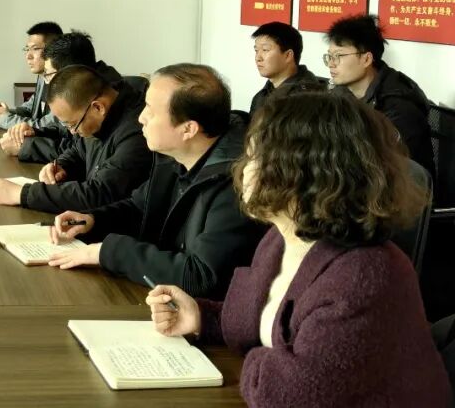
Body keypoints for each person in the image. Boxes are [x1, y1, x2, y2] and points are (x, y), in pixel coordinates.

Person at [146, 92, 449, 407]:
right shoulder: (282, 238)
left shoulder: (365, 276)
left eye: (255, 156)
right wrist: (202, 318)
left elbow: (291, 395)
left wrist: (255, 359)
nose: (243, 168)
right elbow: (260, 317)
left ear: (305, 172)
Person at [47, 64, 265, 299]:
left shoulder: (237, 183)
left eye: (150, 110)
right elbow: (139, 207)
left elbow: (200, 277)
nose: (141, 118)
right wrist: (92, 220)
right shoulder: (175, 155)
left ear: (188, 129)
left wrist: (108, 252)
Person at [0, 65, 151, 214]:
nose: (72, 132)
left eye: (73, 124)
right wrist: (62, 165)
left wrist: (23, 194)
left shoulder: (138, 131)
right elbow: (80, 150)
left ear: (98, 107)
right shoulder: (103, 116)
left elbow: (100, 194)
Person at [324, 14, 433, 175]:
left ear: (366, 59)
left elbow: (390, 165)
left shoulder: (398, 104)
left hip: (398, 183)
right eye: (329, 56)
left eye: (339, 56)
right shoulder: (339, 92)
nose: (331, 63)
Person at [12, 30, 122, 163]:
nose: (48, 82)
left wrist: (25, 147)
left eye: (49, 74)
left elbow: (79, 149)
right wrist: (36, 131)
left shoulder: (102, 97)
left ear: (69, 73)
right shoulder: (89, 82)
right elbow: (66, 129)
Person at [0, 22, 63, 156]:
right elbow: (30, 108)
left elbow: (46, 125)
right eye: (27, 49)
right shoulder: (43, 76)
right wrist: (3, 112)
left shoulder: (64, 82)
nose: (28, 56)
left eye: (35, 49)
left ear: (53, 50)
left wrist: (5, 119)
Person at [249, 21, 319, 116]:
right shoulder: (262, 96)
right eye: (256, 50)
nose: (258, 58)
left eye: (265, 50)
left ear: (288, 55)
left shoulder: (306, 99)